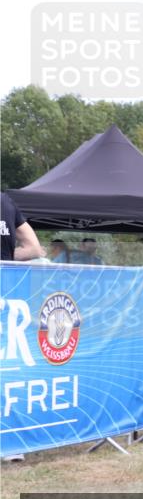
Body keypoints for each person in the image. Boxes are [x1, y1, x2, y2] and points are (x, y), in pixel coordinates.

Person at [1, 192, 43, 462]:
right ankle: (12, 442)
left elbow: (37, 250)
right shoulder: (6, 201)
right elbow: (35, 249)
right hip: (8, 288)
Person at [1, 192, 44, 262]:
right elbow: (35, 249)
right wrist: (6, 256)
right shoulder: (6, 201)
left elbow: (35, 249)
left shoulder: (6, 202)